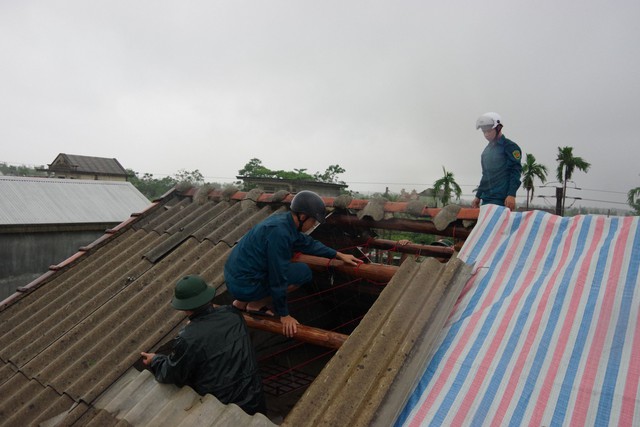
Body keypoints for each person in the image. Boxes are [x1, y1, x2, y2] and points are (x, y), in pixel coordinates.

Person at [224, 190, 362, 338]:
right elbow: (278, 277)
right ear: (303, 217)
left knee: (274, 269)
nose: (313, 225)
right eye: (313, 221)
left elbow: (307, 243)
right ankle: (255, 305)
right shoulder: (280, 234)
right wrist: (284, 315)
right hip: (245, 285)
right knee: (303, 272)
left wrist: (338, 254)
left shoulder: (284, 221)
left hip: (234, 279)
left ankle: (240, 303)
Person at [140, 275, 265, 415]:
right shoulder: (233, 315)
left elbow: (172, 373)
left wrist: (155, 360)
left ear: (185, 308)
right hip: (255, 398)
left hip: (222, 407)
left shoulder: (188, 338)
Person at [471, 112, 522, 210]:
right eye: (484, 132)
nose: (486, 135)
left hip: (502, 201)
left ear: (498, 128)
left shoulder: (510, 147)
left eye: (489, 131)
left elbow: (515, 172)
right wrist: (478, 196)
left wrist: (512, 194)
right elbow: (485, 175)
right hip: (486, 200)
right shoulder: (486, 152)